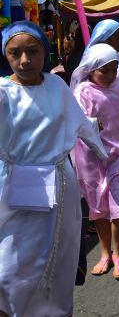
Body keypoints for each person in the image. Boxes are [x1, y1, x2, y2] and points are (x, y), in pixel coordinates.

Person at [0, 21, 107, 316]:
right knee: (11, 262)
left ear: (44, 52)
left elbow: (79, 121)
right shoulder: (2, 92)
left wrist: (100, 147)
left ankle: (57, 310)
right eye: (15, 53)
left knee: (59, 254)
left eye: (32, 51)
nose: (24, 60)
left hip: (59, 184)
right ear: (5, 55)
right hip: (13, 187)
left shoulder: (56, 85)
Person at [70, 43, 119, 280]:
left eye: (114, 70)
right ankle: (104, 253)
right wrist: (92, 124)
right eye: (106, 71)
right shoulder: (82, 91)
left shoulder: (118, 89)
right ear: (91, 69)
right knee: (99, 209)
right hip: (92, 158)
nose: (111, 76)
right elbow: (78, 122)